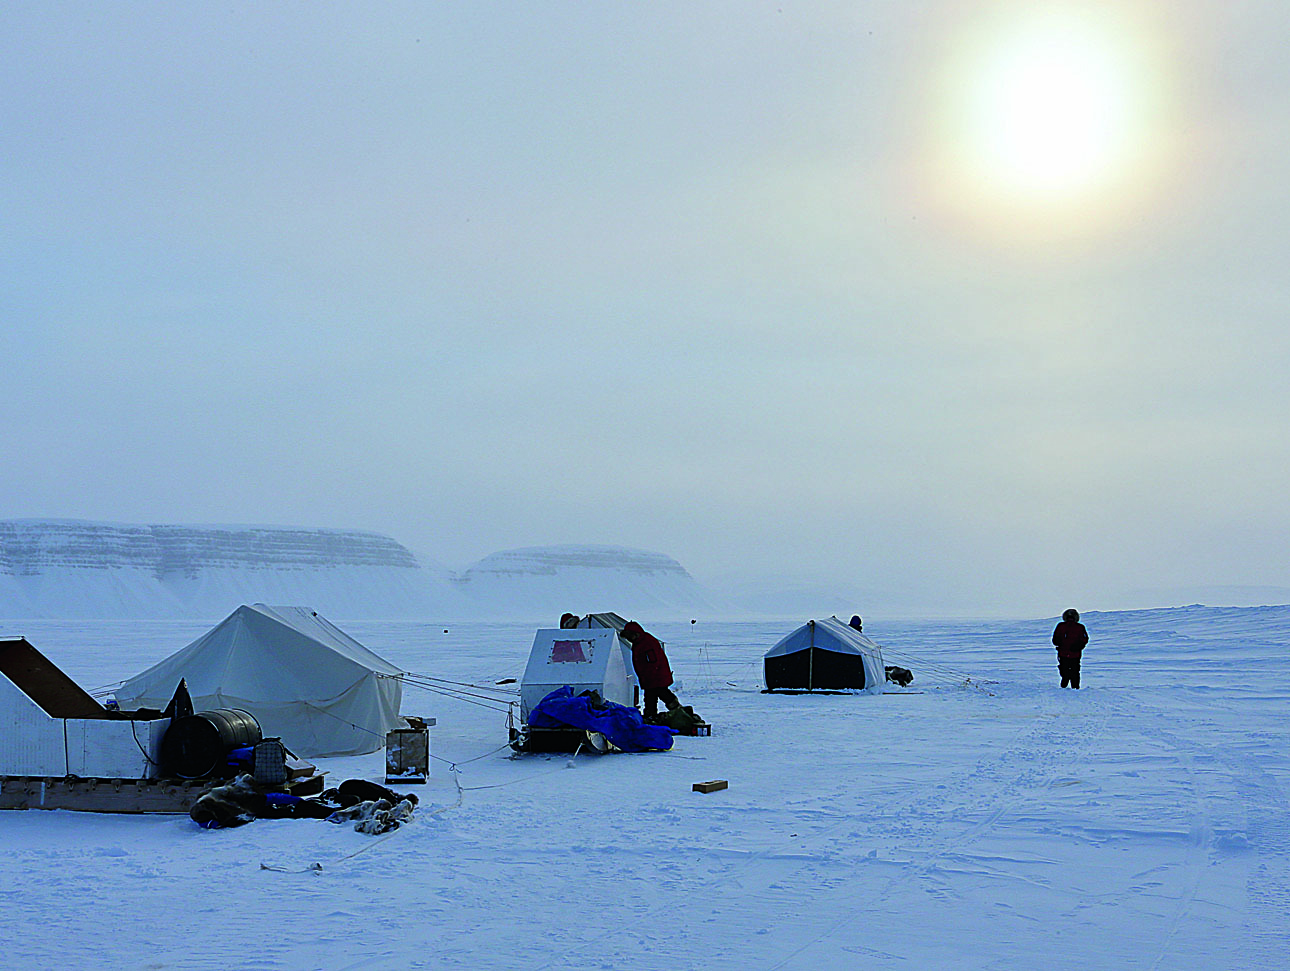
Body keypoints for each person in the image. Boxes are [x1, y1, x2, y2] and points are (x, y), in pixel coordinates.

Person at [620, 620, 681, 719]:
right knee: (655, 695)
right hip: (650, 677)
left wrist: (649, 676)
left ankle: (675, 712)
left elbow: (653, 662)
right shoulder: (639, 642)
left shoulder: (647, 643)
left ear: (635, 634)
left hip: (655, 676)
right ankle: (654, 714)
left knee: (658, 694)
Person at [1052, 608, 1089, 689]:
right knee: (1074, 670)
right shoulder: (1079, 627)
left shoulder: (1061, 626)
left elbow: (1055, 639)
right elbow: (1085, 639)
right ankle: (1074, 686)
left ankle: (1066, 685)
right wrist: (1079, 646)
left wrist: (1078, 646)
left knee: (1066, 669)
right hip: (1073, 653)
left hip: (1066, 653)